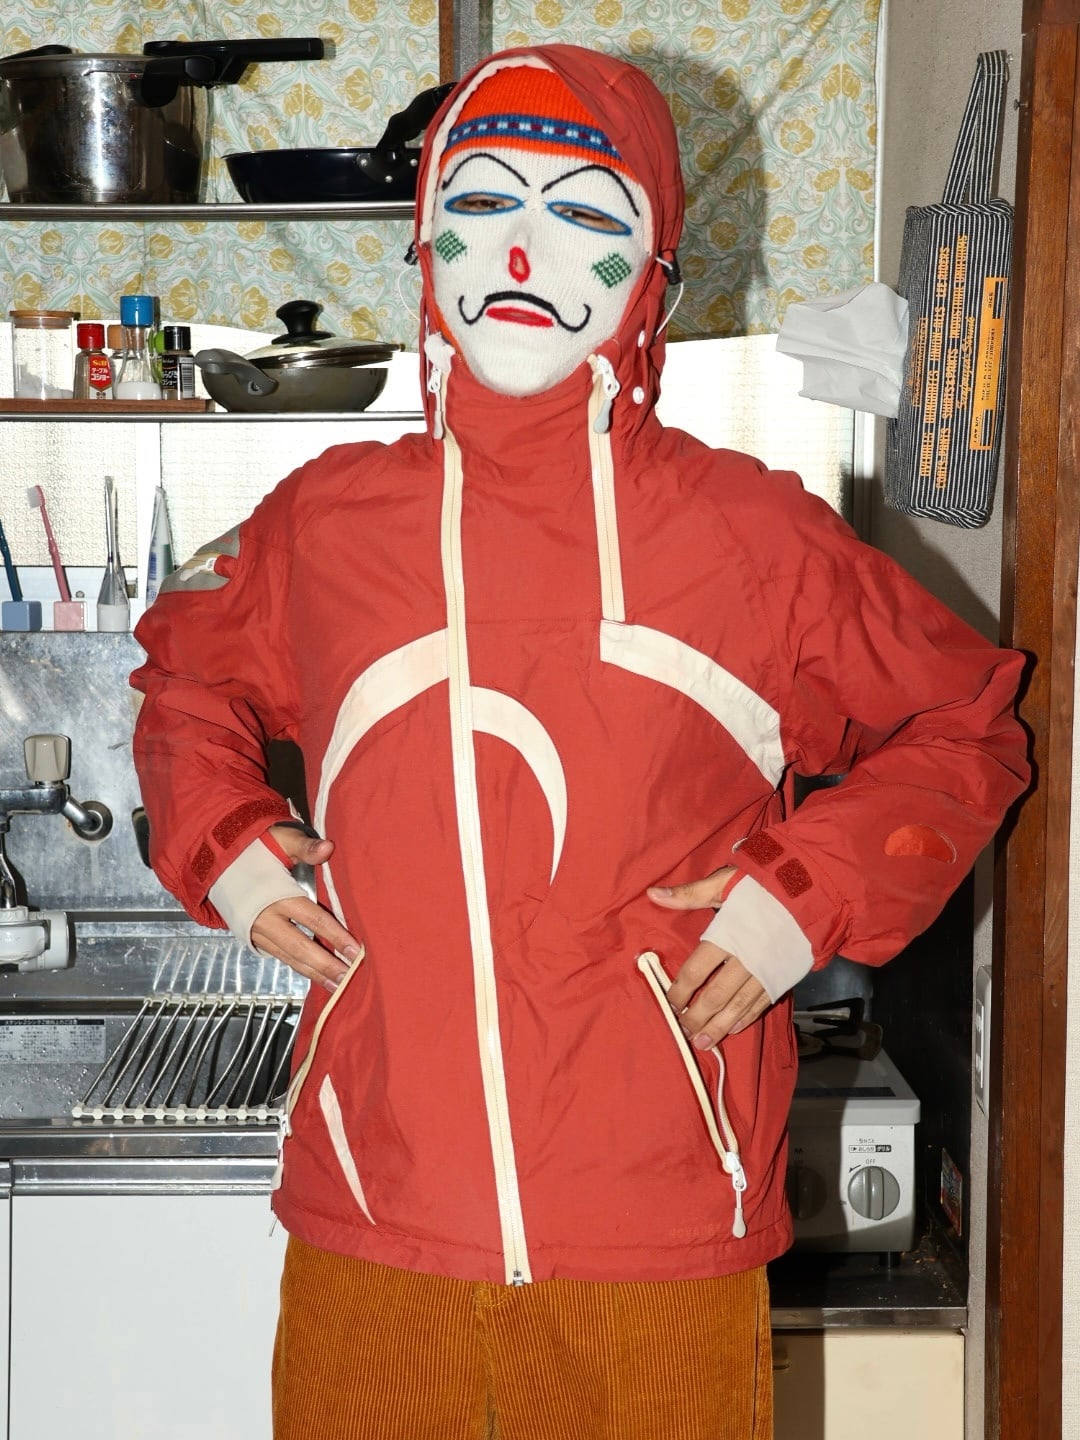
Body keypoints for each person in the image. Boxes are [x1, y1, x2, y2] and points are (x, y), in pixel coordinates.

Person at [131, 43, 1029, 1440]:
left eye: (585, 214)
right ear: (424, 239)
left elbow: (966, 724)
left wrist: (803, 897)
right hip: (380, 1210)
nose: (523, 252)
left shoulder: (754, 535)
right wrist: (229, 849)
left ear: (654, 268)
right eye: (483, 201)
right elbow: (186, 684)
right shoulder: (325, 523)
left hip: (658, 1232)